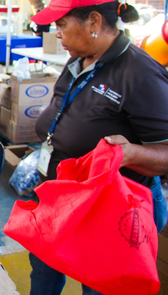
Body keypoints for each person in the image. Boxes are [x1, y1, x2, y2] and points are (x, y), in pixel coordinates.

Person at [30, 0, 168, 294]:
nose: (56, 33)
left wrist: (131, 153)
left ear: (93, 22)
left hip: (106, 212)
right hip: (59, 198)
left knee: (98, 285)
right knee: (43, 274)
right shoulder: (77, 59)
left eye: (61, 24)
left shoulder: (141, 75)